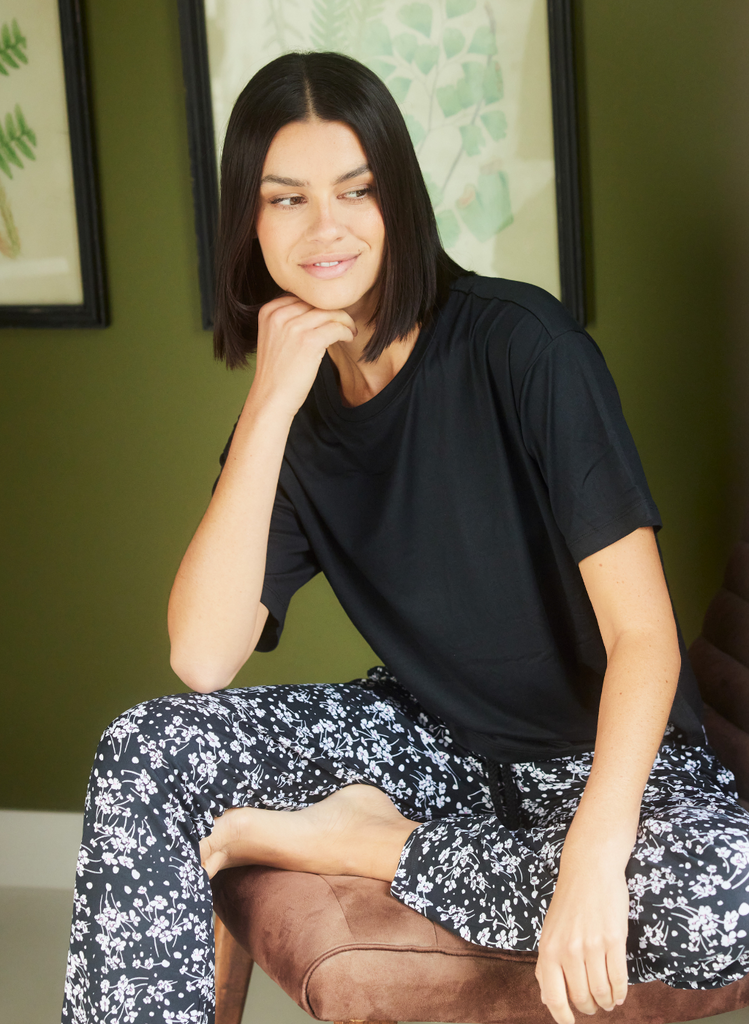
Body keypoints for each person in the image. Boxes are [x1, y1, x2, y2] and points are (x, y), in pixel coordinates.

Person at [62, 51, 749, 1024]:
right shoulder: (292, 419)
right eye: (286, 198)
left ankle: (363, 842)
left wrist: (593, 855)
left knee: (727, 892)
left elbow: (642, 636)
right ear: (248, 224)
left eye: (355, 190)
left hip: (596, 748)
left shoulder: (525, 347)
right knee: (145, 749)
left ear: (399, 201)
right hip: (424, 736)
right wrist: (265, 404)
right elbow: (201, 654)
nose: (325, 226)